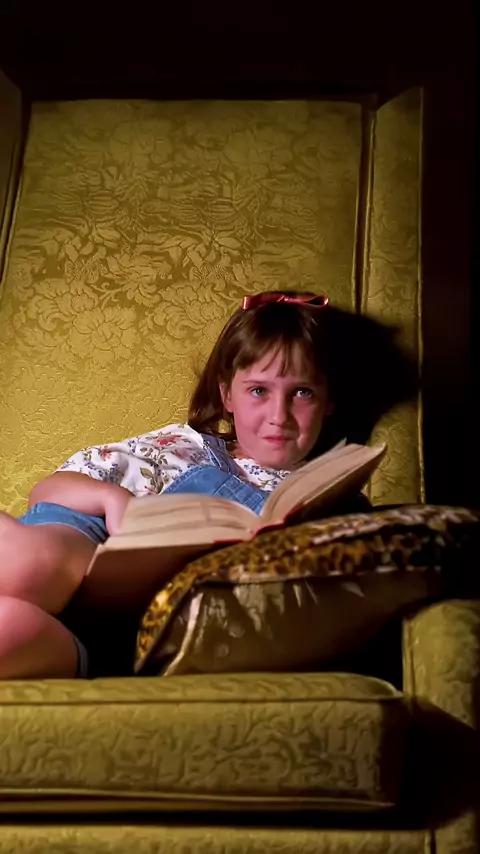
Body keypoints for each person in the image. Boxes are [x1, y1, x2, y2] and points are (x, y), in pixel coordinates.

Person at [0, 291, 418, 680]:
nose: (279, 415)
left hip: (125, 634)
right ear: (227, 394)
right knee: (28, 561)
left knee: (10, 628)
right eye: (259, 390)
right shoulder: (181, 446)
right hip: (88, 542)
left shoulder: (327, 492)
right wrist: (113, 500)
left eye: (302, 393)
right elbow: (48, 489)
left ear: (329, 401)